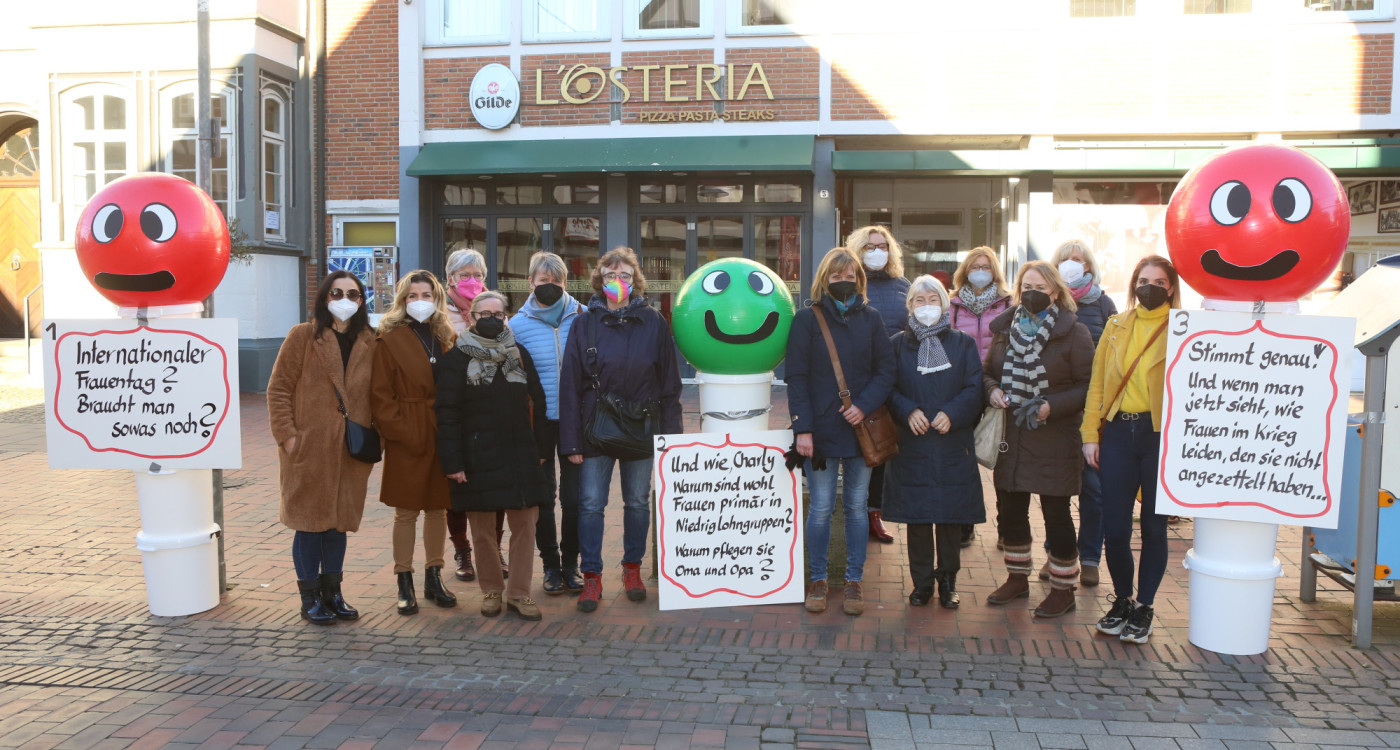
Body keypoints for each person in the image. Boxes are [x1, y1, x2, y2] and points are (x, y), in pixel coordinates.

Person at [559, 247, 683, 613]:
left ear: (635, 281)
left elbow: (670, 383)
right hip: (594, 427)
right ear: (600, 280)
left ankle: (632, 569)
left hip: (643, 427)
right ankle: (592, 576)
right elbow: (569, 385)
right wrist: (570, 440)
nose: (618, 281)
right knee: (591, 504)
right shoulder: (584, 323)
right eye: (611, 275)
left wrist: (670, 439)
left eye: (625, 275)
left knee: (639, 501)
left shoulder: (655, 322)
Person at [786, 248, 895, 617]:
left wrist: (863, 405)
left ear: (859, 279)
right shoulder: (806, 319)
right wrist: (802, 428)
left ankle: (853, 581)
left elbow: (886, 371)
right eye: (837, 277)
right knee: (819, 508)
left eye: (850, 276)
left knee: (855, 506)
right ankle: (818, 580)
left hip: (860, 430)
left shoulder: (873, 319)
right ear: (824, 280)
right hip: (818, 433)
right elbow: (796, 376)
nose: (844, 282)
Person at [982, 260, 1094, 618]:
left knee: (1056, 515)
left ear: (1056, 293)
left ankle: (1063, 589)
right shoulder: (1003, 330)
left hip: (1055, 437)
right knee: (1010, 512)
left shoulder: (1074, 333)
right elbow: (987, 373)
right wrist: (993, 391)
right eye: (1026, 287)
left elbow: (1087, 387)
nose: (1031, 294)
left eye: (1040, 289)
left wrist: (1051, 406)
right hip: (1012, 436)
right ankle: (1017, 578)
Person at [267, 271, 376, 625]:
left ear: (362, 301)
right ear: (324, 298)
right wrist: (288, 435)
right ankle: (309, 598)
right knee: (309, 522)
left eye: (353, 294)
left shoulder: (371, 341)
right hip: (309, 446)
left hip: (350, 447)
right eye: (337, 292)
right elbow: (279, 388)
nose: (345, 299)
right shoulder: (303, 335)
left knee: (338, 523)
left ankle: (334, 593)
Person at [435, 291, 553, 621]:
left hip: (519, 452)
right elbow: (446, 414)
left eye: (498, 314)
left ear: (506, 317)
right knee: (483, 530)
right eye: (484, 314)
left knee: (526, 525)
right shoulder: (455, 360)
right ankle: (490, 590)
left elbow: (540, 404)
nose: (491, 319)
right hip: (476, 454)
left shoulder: (520, 354)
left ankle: (519, 593)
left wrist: (543, 449)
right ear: (471, 318)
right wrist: (453, 461)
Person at [1081, 255, 1180, 645]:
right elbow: (1097, 385)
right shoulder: (1116, 325)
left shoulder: (1185, 328)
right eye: (1143, 279)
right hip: (1120, 434)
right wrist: (1090, 434)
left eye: (1158, 281)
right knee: (1116, 528)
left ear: (1171, 287)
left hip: (1160, 436)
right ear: (1133, 283)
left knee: (1154, 527)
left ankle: (1145, 606)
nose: (1149, 287)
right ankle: (1122, 599)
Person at [880, 276, 985, 609]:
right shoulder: (896, 344)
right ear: (910, 306)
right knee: (918, 516)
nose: (926, 306)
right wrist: (907, 410)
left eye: (933, 299)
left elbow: (974, 388)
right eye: (919, 300)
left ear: (944, 303)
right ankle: (922, 583)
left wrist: (952, 413)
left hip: (952, 442)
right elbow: (888, 388)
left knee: (950, 517)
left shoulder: (963, 343)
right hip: (913, 443)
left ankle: (948, 581)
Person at [371, 271, 458, 615]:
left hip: (441, 431)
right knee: (406, 511)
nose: (419, 301)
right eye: (412, 295)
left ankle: (434, 575)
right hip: (408, 431)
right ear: (402, 301)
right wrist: (403, 432)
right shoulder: (389, 339)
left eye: (426, 294)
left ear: (436, 299)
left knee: (438, 508)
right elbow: (380, 395)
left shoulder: (446, 336)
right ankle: (403, 579)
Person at [1041, 240, 1119, 586]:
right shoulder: (1047, 304)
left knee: (1093, 489)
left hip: (1094, 413)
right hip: (1056, 411)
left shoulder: (1103, 305)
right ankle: (1058, 555)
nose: (1072, 265)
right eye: (1065, 260)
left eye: (1078, 260)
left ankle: (1089, 557)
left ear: (1089, 267)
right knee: (1054, 489)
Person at [509, 251, 586, 596]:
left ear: (565, 283)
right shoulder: (516, 324)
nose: (549, 287)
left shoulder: (584, 316)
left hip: (576, 422)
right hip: (536, 424)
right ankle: (551, 567)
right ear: (531, 283)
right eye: (543, 282)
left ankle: (572, 565)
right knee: (543, 498)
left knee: (575, 499)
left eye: (556, 282)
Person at [441, 248, 506, 583]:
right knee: (457, 490)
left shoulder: (492, 310)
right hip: (456, 409)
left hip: (490, 411)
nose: (471, 281)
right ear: (450, 278)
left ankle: (494, 550)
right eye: (464, 275)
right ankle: (463, 551)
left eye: (477, 275)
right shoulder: (439, 313)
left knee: (495, 485)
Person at [845, 225, 910, 546]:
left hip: (894, 382)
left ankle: (874, 513)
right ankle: (853, 511)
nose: (877, 251)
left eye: (882, 246)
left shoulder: (903, 286)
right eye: (870, 247)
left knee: (883, 448)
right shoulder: (848, 284)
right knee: (855, 448)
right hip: (855, 382)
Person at [948, 245, 1012, 548]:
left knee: (1001, 458)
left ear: (995, 271)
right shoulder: (953, 304)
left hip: (998, 387)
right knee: (963, 459)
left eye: (986, 266)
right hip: (963, 389)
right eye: (975, 266)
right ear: (965, 270)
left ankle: (1006, 526)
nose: (981, 271)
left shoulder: (1009, 303)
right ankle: (965, 523)